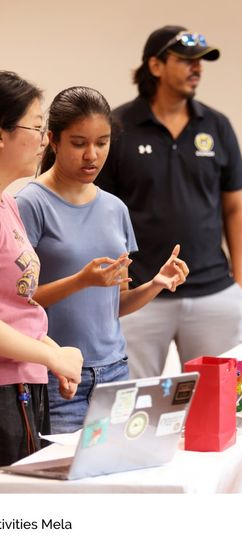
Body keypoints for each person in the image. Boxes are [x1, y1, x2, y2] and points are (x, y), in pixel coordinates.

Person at [16, 86, 189, 433]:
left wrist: (156, 284)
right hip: (57, 375)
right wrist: (80, 281)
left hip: (114, 371)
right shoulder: (29, 204)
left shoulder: (115, 208)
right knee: (64, 484)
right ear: (53, 140)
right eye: (79, 143)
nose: (92, 155)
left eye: (102, 142)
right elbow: (18, 307)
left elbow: (113, 305)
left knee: (115, 479)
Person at [96, 25, 242, 378]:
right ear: (155, 66)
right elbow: (100, 213)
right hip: (139, 295)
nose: (197, 68)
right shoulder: (118, 126)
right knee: (133, 409)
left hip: (214, 292)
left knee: (216, 408)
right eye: (186, 60)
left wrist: (240, 284)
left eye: (201, 61)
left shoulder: (217, 126)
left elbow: (235, 208)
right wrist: (118, 287)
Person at [0, 71, 82, 464]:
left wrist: (54, 351)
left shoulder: (9, 204)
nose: (44, 139)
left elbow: (17, 309)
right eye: (36, 127)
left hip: (24, 384)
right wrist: (51, 357)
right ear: (0, 134)